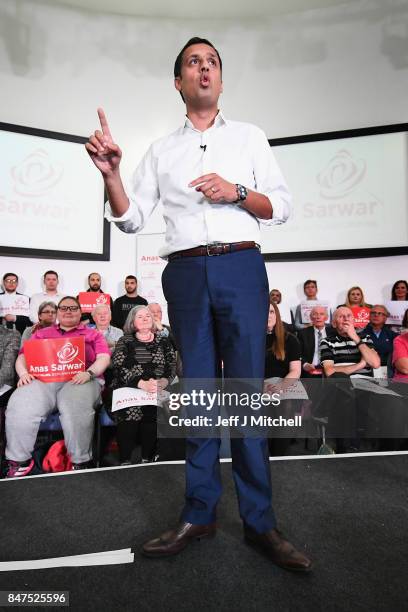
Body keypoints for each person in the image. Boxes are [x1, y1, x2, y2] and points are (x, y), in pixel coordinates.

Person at [86, 37, 311, 571]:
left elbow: (280, 205)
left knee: (247, 394)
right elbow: (132, 217)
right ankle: (200, 511)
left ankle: (261, 523)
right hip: (185, 272)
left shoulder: (250, 138)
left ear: (221, 79)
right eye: (194, 62)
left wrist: (235, 192)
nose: (204, 68)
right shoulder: (162, 150)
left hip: (239, 266)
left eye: (212, 62)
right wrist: (113, 175)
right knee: (200, 396)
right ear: (179, 82)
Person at [4, 296, 110, 478]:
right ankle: (19, 461)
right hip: (44, 380)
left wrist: (90, 373)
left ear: (80, 312)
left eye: (73, 308)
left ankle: (80, 461)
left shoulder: (93, 334)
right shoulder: (41, 334)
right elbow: (23, 357)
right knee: (20, 403)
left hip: (81, 379)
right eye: (64, 308)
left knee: (74, 406)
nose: (68, 311)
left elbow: (104, 358)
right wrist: (23, 374)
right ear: (58, 312)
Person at [109, 305, 176, 464]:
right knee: (130, 414)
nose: (145, 319)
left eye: (148, 316)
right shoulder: (125, 340)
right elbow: (119, 367)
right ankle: (125, 460)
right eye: (140, 316)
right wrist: (141, 384)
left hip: (158, 388)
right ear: (132, 321)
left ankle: (148, 459)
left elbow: (171, 365)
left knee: (154, 414)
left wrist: (165, 381)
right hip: (129, 387)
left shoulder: (163, 340)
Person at [264, 302, 301, 456]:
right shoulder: (250, 339)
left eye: (271, 312)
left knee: (285, 405)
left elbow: (295, 371)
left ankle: (278, 456)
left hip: (286, 382)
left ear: (277, 315)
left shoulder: (291, 340)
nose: (268, 315)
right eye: (264, 312)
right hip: (259, 384)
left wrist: (280, 386)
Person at [298, 306, 332, 377]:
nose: (318, 317)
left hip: (330, 370)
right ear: (311, 318)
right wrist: (304, 364)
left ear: (326, 318)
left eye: (321, 314)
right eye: (315, 314)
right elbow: (297, 353)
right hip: (310, 370)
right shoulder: (303, 333)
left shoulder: (333, 332)